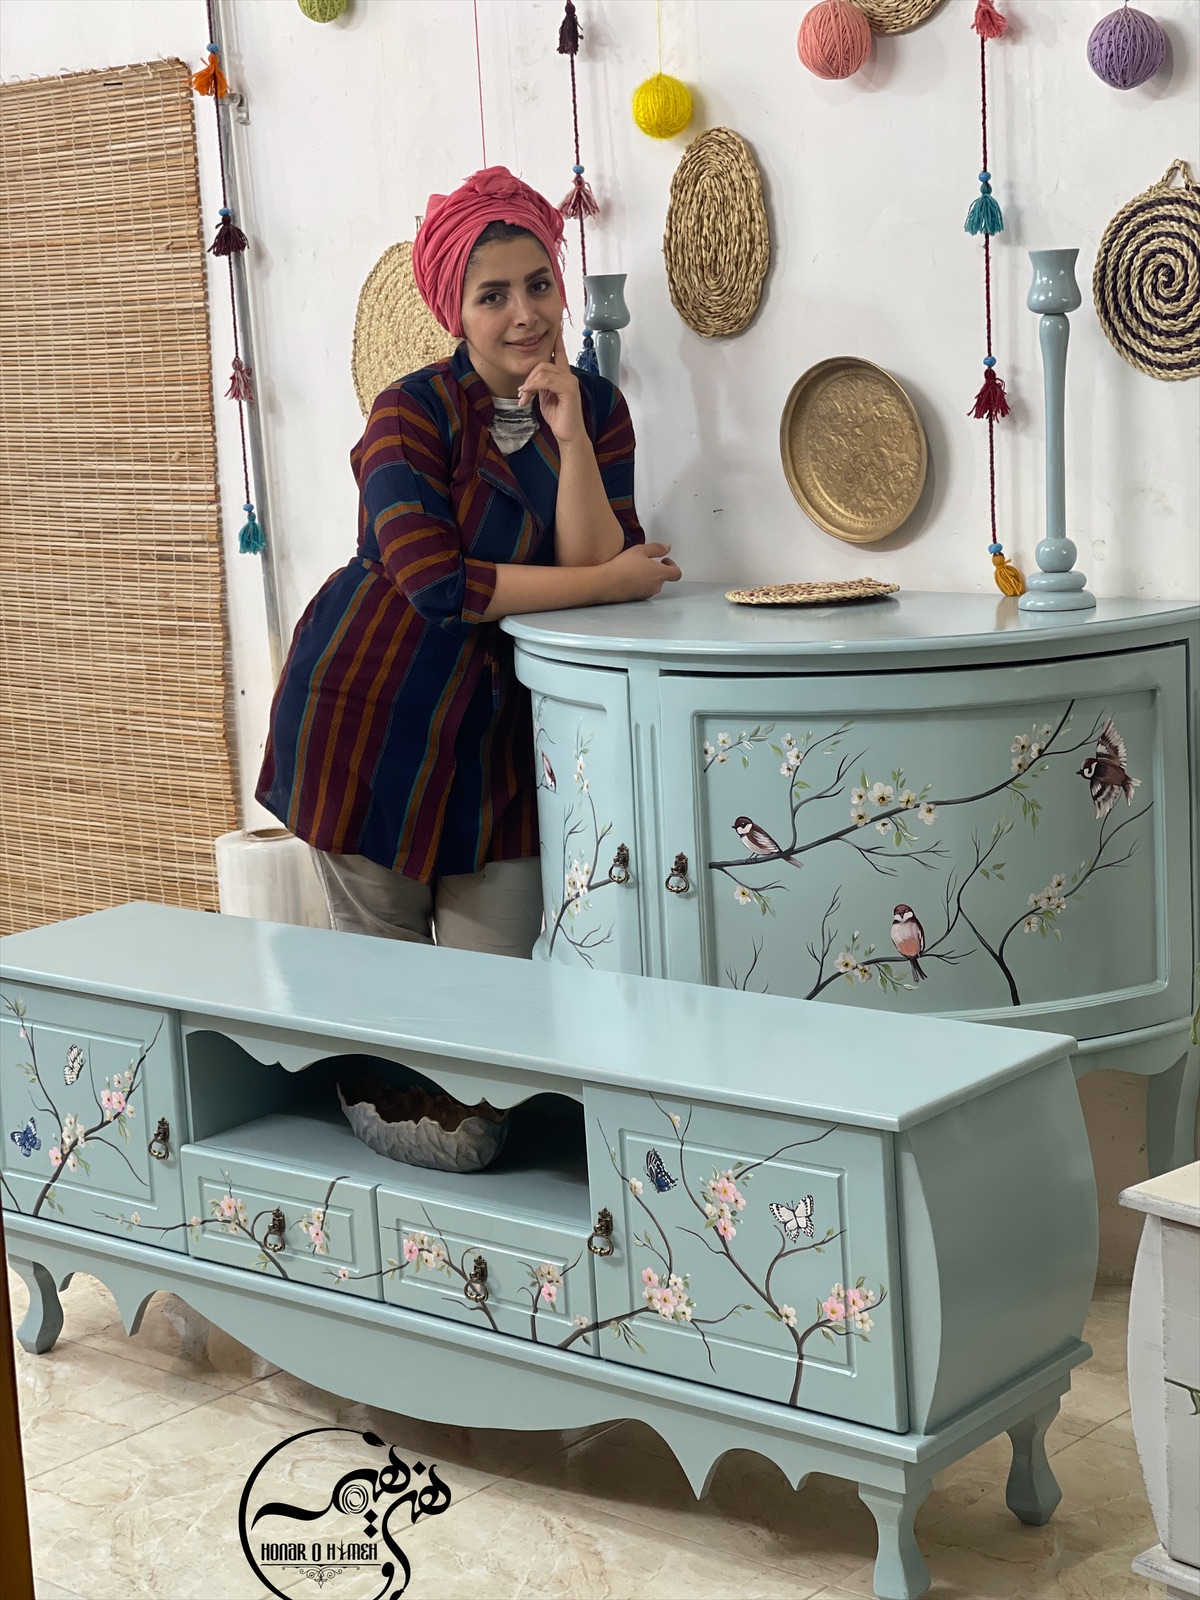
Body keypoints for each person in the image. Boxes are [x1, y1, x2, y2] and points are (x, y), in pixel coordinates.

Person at [255, 166, 680, 957]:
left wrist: (571, 439)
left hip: (502, 743)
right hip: (374, 718)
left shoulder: (596, 408)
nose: (526, 314)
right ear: (454, 310)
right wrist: (611, 581)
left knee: (500, 998)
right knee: (393, 998)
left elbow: (592, 554)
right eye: (493, 296)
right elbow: (440, 585)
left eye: (539, 285)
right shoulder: (409, 412)